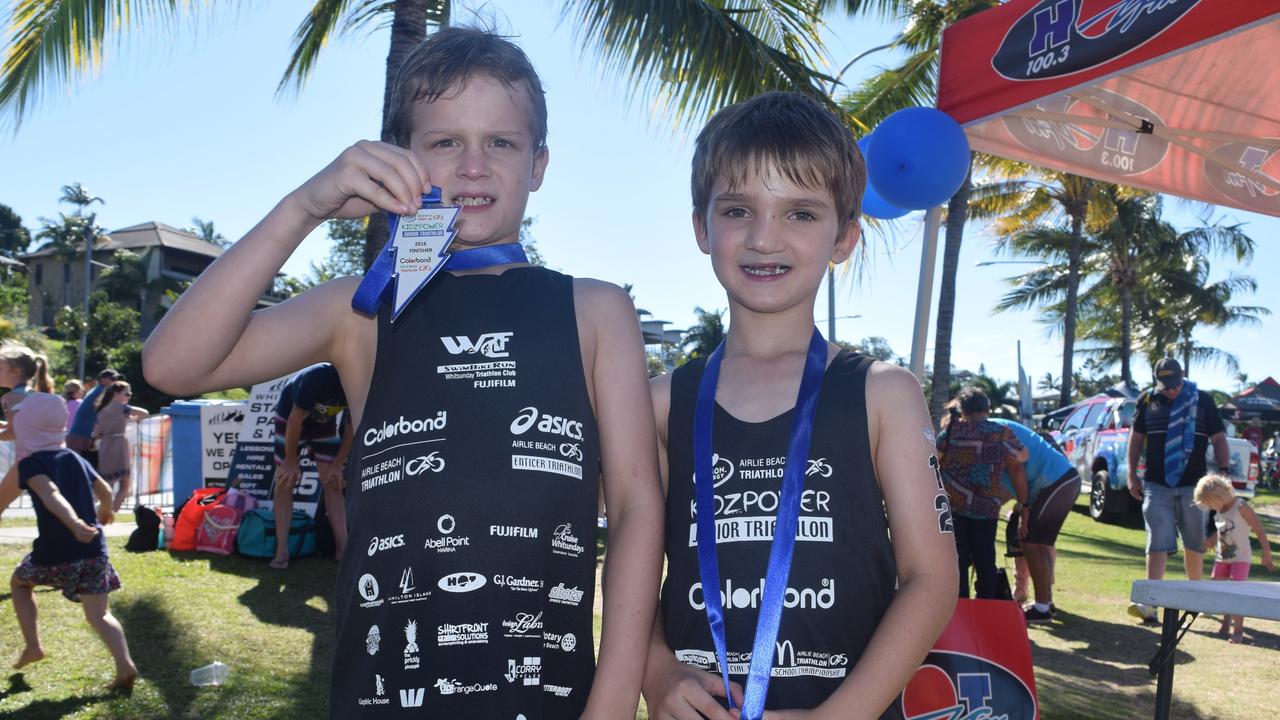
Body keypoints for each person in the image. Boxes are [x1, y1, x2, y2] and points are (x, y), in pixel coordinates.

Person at [141, 27, 663, 718]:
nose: (473, 166)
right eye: (445, 141)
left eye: (500, 143)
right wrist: (306, 206)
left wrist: (614, 700)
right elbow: (172, 364)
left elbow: (633, 507)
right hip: (384, 693)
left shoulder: (596, 310)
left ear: (538, 165)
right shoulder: (360, 309)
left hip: (551, 696)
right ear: (399, 159)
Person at [642, 91, 959, 720]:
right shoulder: (659, 402)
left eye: (801, 214)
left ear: (844, 237)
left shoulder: (884, 393)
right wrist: (656, 670)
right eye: (738, 209)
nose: (765, 238)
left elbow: (931, 578)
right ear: (702, 227)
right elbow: (634, 570)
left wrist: (838, 715)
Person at [0, 392, 137, 692]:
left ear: (26, 427)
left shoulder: (31, 464)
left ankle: (33, 646)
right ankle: (125, 665)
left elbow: (50, 494)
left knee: (20, 585)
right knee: (100, 614)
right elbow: (101, 486)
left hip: (55, 553)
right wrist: (106, 509)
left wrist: (75, 524)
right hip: (93, 550)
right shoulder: (74, 456)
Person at [1126, 358, 1229, 624]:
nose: (1170, 390)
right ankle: (1150, 602)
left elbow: (1218, 438)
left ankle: (1197, 597)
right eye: (1165, 385)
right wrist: (1131, 474)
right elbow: (1136, 439)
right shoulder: (1148, 401)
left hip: (1193, 485)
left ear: (1183, 376)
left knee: (1195, 541)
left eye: (1174, 384)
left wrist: (1224, 470)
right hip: (1156, 482)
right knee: (1157, 538)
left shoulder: (1202, 401)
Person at [937, 388, 1029, 600]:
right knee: (985, 558)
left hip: (955, 507)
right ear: (987, 408)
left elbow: (934, 456)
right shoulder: (1000, 431)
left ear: (963, 409)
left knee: (957, 560)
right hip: (986, 507)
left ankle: (957, 606)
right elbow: (1023, 456)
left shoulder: (952, 430)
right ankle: (986, 605)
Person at [990, 418, 1081, 623]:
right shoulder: (989, 432)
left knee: (1030, 541)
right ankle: (1046, 604)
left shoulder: (993, 432)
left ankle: (1042, 607)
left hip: (1055, 482)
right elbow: (1003, 492)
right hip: (1060, 482)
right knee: (1038, 543)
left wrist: (1024, 508)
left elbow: (1017, 470)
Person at [269, 363, 352, 569]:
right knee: (285, 481)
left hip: (323, 423)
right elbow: (295, 419)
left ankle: (344, 550)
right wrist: (290, 461)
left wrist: (338, 463)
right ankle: (282, 550)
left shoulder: (357, 382)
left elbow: (352, 426)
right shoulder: (319, 376)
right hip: (291, 417)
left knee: (333, 482)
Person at [1193, 474, 1275, 643]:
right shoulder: (1218, 511)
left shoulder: (1241, 506)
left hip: (1241, 558)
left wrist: (1266, 552)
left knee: (1238, 593)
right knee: (1222, 590)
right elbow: (1221, 529)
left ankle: (1238, 630)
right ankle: (1225, 624)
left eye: (1209, 503)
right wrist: (1211, 541)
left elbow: (1258, 529)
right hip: (1222, 558)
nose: (1209, 507)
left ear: (1219, 496)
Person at [92, 381, 149, 512]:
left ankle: (103, 511)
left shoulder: (101, 409)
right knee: (124, 485)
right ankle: (111, 512)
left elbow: (97, 432)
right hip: (118, 443)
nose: (129, 396)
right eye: (127, 393)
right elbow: (144, 413)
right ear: (116, 393)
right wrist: (132, 420)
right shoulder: (122, 408)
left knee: (108, 482)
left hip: (105, 444)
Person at [66, 368, 122, 466]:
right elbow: (114, 409)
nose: (116, 382)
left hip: (79, 438)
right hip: (81, 440)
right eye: (113, 379)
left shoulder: (97, 390)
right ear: (103, 380)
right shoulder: (101, 392)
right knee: (89, 474)